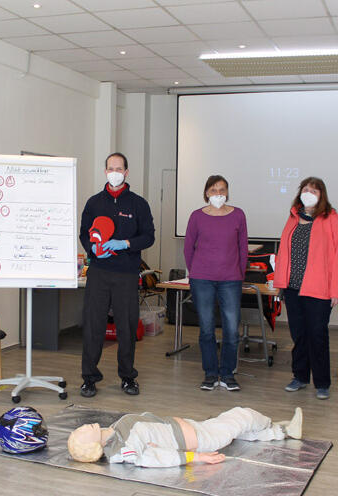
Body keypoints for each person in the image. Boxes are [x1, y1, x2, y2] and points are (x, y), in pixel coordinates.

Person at [78, 153, 155, 398]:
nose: (114, 172)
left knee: (127, 327)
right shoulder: (94, 203)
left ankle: (128, 377)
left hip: (127, 274)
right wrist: (92, 249)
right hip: (99, 273)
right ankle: (89, 378)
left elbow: (149, 236)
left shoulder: (138, 204)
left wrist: (124, 243)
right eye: (110, 168)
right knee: (93, 326)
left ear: (126, 172)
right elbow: (83, 233)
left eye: (119, 168)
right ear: (105, 172)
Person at [274, 177, 338, 400]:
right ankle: (300, 377)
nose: (309, 193)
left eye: (314, 191)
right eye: (305, 189)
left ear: (321, 195)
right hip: (293, 288)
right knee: (299, 335)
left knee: (317, 335)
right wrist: (280, 284)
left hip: (319, 290)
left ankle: (322, 382)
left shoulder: (331, 218)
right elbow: (284, 254)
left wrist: (336, 291)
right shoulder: (293, 218)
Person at [67, 406, 303, 467]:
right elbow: (152, 459)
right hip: (200, 439)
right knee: (241, 416)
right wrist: (195, 458)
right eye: (81, 432)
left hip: (192, 428)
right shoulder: (120, 449)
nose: (83, 426)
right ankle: (279, 427)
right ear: (91, 446)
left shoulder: (113, 431)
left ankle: (278, 432)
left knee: (239, 432)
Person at [184, 175, 248, 391]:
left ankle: (228, 374)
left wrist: (239, 273)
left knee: (231, 329)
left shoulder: (238, 215)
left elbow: (242, 247)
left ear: (227, 192)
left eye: (222, 190)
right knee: (207, 329)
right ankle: (211, 373)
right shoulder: (196, 217)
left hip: (230, 279)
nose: (218, 194)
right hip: (202, 279)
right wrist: (195, 272)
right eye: (213, 190)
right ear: (206, 193)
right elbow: (188, 247)